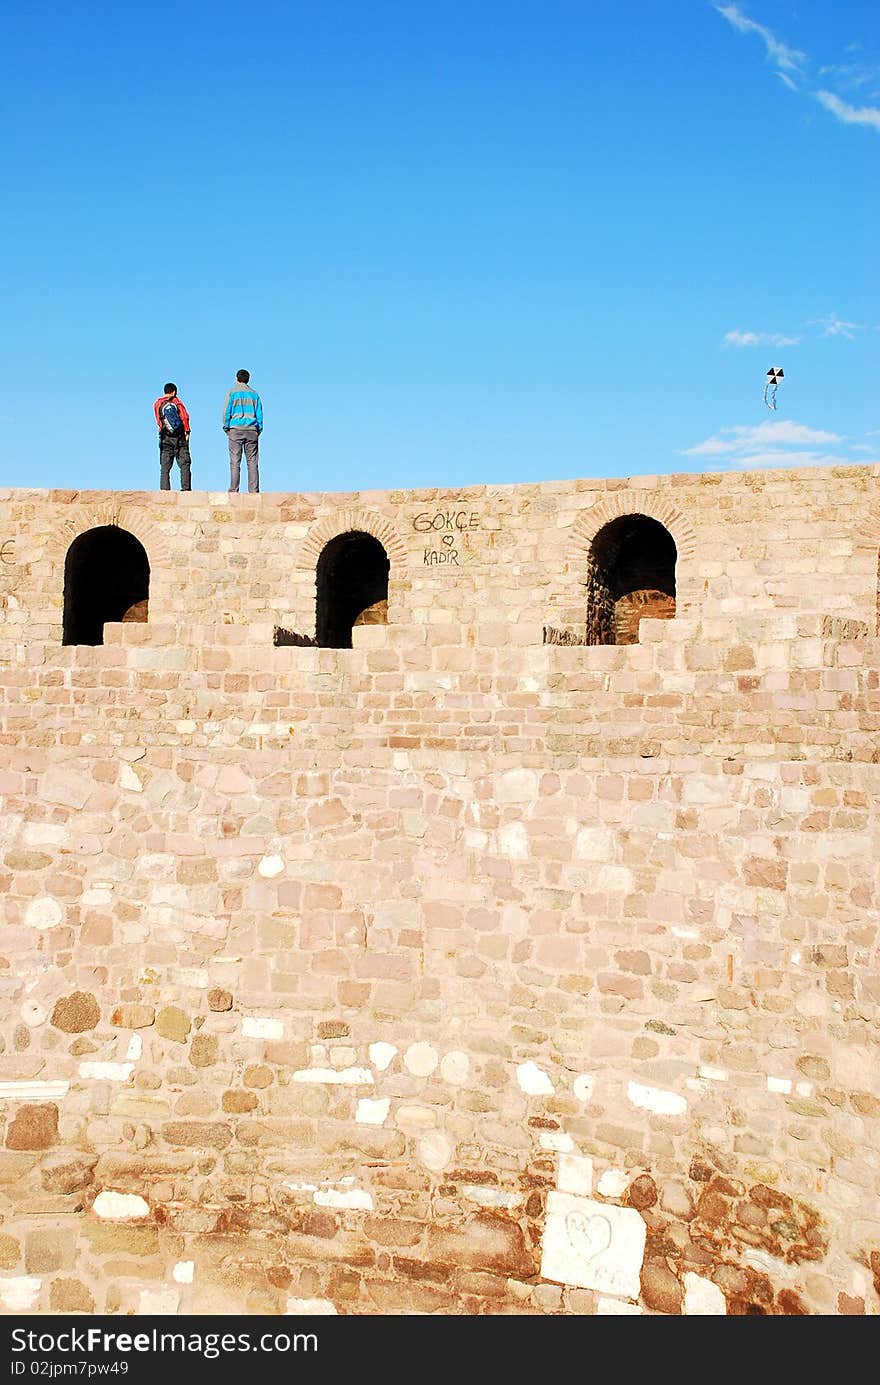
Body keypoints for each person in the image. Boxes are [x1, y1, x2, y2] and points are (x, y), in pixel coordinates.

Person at [222, 369, 263, 493]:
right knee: (252, 462)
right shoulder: (254, 394)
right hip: (252, 430)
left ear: (236, 378)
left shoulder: (231, 393)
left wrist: (227, 427)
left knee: (235, 461)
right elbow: (260, 415)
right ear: (248, 379)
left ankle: (234, 489)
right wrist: (258, 429)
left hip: (235, 429)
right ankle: (254, 491)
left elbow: (226, 412)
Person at [153, 383, 192, 491]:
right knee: (184, 464)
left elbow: (158, 421)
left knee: (165, 467)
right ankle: (186, 489)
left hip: (165, 438)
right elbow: (184, 417)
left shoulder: (157, 404)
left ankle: (165, 491)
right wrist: (187, 432)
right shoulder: (177, 402)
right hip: (179, 438)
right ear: (174, 392)